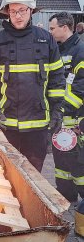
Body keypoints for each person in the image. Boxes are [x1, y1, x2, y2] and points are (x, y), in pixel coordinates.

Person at [0, 0, 66, 172]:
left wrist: (57, 110)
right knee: (4, 175)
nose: (17, 15)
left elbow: (57, 80)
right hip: (6, 125)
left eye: (22, 10)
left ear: (31, 10)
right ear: (7, 13)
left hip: (38, 127)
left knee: (34, 178)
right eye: (13, 11)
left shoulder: (46, 40)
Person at [48, 12, 84, 202]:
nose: (50, 32)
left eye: (52, 28)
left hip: (75, 122)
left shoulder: (81, 51)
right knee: (61, 163)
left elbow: (80, 90)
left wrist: (61, 110)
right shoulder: (58, 50)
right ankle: (66, 195)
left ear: (64, 27)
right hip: (60, 121)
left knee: (78, 165)